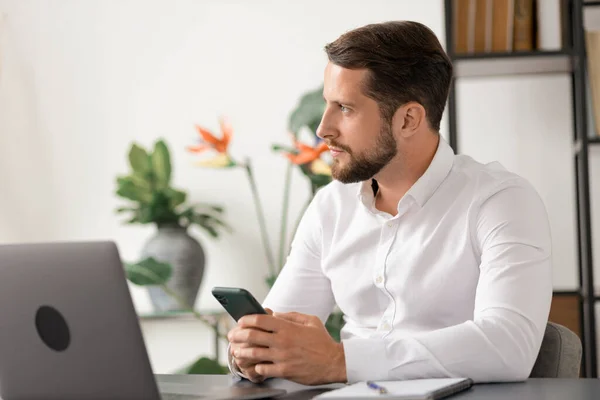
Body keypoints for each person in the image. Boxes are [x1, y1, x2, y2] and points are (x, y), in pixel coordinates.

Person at [226, 20, 552, 386]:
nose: (323, 128)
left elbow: (508, 346)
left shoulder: (501, 202)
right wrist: (251, 351)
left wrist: (340, 361)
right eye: (326, 105)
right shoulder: (330, 207)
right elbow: (279, 324)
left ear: (409, 119)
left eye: (345, 108)